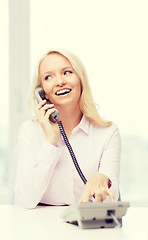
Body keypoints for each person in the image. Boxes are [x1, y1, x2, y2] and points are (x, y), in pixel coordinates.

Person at [14, 48, 121, 209]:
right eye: (48, 77)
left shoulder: (107, 132)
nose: (59, 82)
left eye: (67, 72)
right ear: (41, 92)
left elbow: (109, 203)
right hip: (41, 227)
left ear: (80, 79)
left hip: (87, 227)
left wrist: (101, 179)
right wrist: (50, 141)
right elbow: (26, 200)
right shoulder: (29, 131)